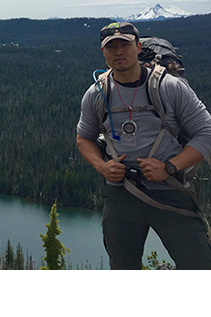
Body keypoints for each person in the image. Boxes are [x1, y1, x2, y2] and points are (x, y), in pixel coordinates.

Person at [76, 21, 211, 269]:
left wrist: (170, 167)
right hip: (121, 194)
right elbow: (84, 138)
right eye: (111, 47)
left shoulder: (169, 87)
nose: (118, 51)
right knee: (123, 267)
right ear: (103, 53)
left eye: (125, 45)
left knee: (198, 266)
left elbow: (206, 132)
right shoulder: (97, 94)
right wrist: (102, 167)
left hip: (170, 190)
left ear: (138, 47)